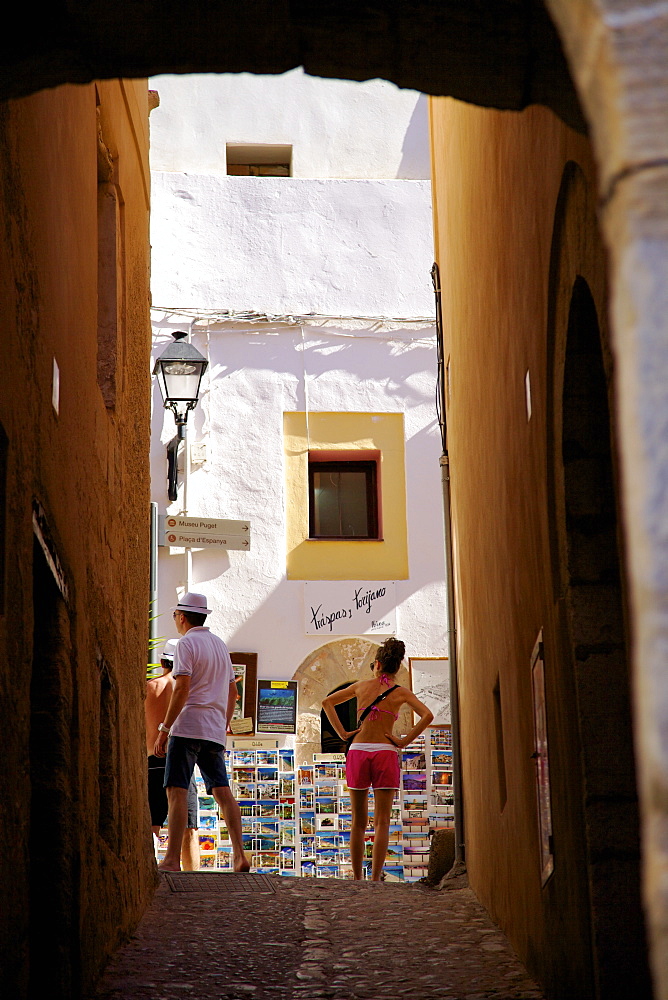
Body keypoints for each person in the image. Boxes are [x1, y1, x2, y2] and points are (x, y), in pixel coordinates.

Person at [153, 592, 250, 873]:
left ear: (182, 617)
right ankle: (239, 855)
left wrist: (165, 729)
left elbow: (181, 687)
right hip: (213, 729)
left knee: (176, 790)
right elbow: (233, 691)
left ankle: (171, 859)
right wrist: (223, 722)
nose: (175, 620)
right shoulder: (220, 645)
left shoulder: (186, 643)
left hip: (188, 726)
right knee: (222, 791)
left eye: (174, 615)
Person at [322, 637, 433, 881]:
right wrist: (404, 741)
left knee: (358, 821)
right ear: (395, 668)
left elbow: (326, 702)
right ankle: (375, 879)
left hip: (359, 750)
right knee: (383, 821)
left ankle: (357, 878)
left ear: (377, 664)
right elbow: (427, 715)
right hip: (385, 751)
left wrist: (342, 733)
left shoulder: (361, 687)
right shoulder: (401, 692)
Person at [145, 639, 200, 869]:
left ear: (161, 662)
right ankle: (190, 879)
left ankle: (147, 874)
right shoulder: (188, 690)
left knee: (152, 824)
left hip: (152, 760)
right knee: (188, 827)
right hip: (180, 759)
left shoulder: (149, 687)